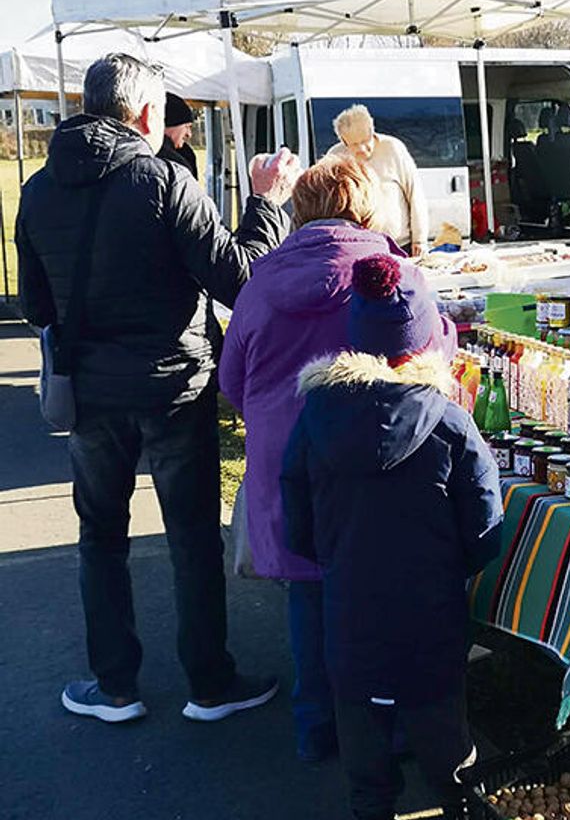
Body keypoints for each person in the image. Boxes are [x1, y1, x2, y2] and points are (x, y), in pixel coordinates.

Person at [16, 53, 299, 724]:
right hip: (173, 386)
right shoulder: (165, 181)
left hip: (89, 391)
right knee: (192, 535)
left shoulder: (38, 189)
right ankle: (209, 682)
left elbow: (34, 305)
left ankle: (114, 685)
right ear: (146, 113)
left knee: (101, 536)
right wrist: (266, 205)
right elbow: (242, 280)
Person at [281, 253, 501, 820]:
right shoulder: (451, 423)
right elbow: (485, 525)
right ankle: (458, 818)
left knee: (361, 724)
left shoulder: (313, 422)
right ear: (424, 336)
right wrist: (455, 566)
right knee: (440, 716)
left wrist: (336, 558)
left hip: (349, 603)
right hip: (431, 608)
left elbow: (296, 520)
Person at [218, 157, 405, 762]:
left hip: (286, 460)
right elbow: (434, 356)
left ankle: (315, 725)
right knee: (379, 594)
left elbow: (231, 380)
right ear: (367, 209)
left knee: (306, 591)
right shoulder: (395, 273)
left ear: (300, 211)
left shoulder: (261, 282)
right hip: (376, 455)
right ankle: (383, 723)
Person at [325, 104, 429, 256]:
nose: (362, 148)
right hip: (359, 246)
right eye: (354, 144)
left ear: (372, 131)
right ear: (344, 142)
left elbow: (415, 194)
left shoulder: (393, 148)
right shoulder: (335, 157)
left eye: (365, 140)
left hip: (400, 244)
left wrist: (419, 239)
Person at [159, 92, 198, 179]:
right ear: (168, 125)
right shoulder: (174, 163)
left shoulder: (186, 154)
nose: (189, 134)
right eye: (186, 127)